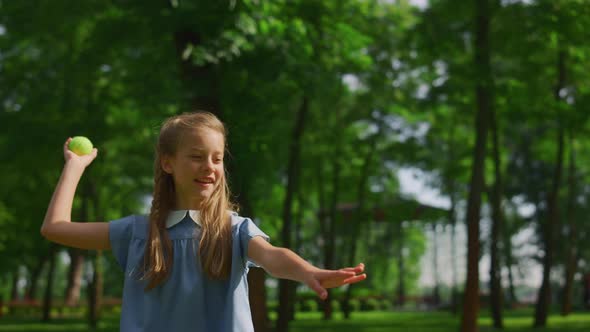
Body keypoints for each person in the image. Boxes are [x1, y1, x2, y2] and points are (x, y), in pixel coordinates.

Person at [41, 111, 366, 331]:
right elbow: (55, 228)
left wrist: (307, 271)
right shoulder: (137, 233)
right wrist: (75, 166)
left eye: (217, 158)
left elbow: (272, 257)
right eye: (196, 157)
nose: (209, 166)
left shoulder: (234, 230)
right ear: (168, 163)